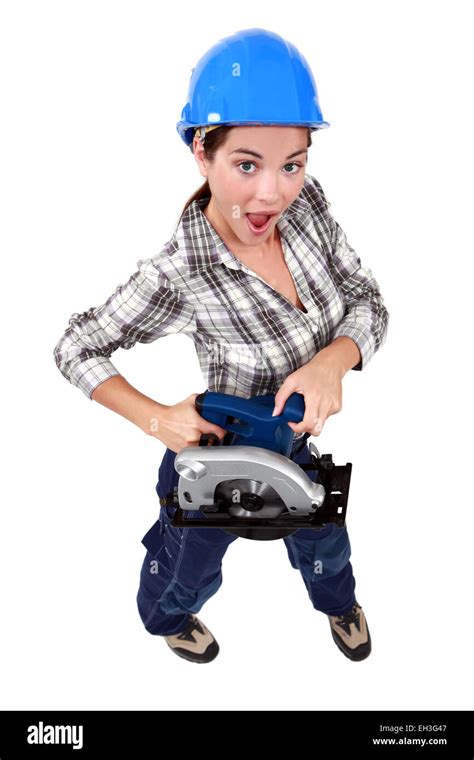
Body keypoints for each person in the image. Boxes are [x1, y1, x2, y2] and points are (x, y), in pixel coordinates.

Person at [53, 28, 389, 665]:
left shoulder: (307, 208)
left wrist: (331, 361)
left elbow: (368, 299)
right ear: (200, 152)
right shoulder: (181, 271)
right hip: (217, 458)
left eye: (292, 162)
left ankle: (337, 605)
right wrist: (158, 420)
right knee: (187, 567)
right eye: (246, 164)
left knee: (326, 545)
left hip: (295, 446)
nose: (272, 193)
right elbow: (76, 346)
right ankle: (171, 620)